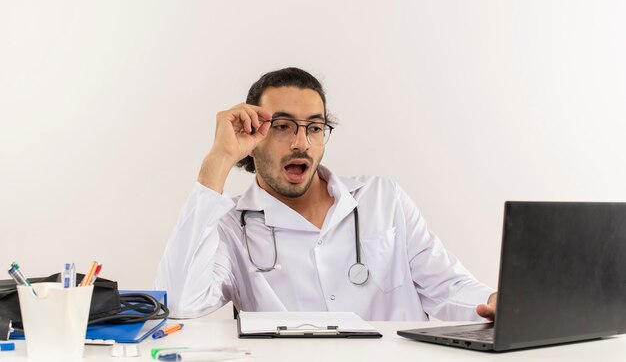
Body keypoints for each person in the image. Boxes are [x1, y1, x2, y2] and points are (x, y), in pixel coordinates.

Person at [155, 67, 497, 321]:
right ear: (252, 136)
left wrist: (495, 302)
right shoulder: (231, 227)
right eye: (282, 126)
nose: (301, 143)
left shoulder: (381, 198)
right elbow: (179, 301)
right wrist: (218, 160)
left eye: (314, 128)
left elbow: (447, 286)